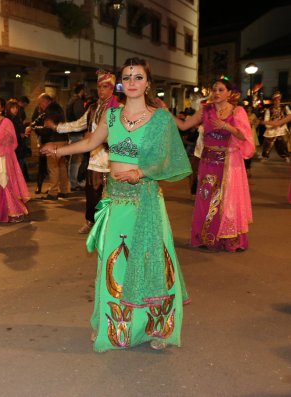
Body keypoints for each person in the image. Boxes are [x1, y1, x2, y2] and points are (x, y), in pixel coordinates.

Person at [41, 57, 191, 352]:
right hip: (116, 200)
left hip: (146, 199)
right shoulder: (111, 117)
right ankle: (117, 328)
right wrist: (59, 150)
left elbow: (168, 159)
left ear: (148, 83)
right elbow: (89, 143)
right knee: (114, 263)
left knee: (152, 262)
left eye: (139, 77)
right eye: (128, 77)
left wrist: (142, 172)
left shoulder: (160, 118)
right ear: (122, 83)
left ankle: (157, 327)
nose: (133, 82)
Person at [172, 78, 254, 252]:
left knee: (227, 201)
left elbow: (244, 136)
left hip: (229, 164)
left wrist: (226, 126)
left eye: (221, 89)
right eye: (214, 89)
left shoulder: (237, 111)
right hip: (208, 162)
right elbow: (184, 125)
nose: (216, 93)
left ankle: (229, 239)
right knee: (206, 198)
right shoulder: (205, 110)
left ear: (229, 93)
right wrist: (166, 113)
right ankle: (206, 238)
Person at [52, 70, 120, 233]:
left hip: (114, 160)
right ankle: (91, 222)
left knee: (113, 196)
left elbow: (122, 135)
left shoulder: (119, 109)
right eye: (99, 87)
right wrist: (57, 127)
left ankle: (110, 226)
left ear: (112, 89)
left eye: (105, 87)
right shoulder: (93, 108)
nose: (101, 90)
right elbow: (77, 124)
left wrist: (99, 138)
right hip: (95, 159)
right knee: (91, 195)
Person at [26, 94, 68, 200]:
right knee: (62, 166)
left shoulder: (49, 112)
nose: (40, 106)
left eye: (40, 103)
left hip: (53, 141)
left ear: (45, 102)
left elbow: (47, 128)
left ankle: (53, 192)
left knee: (53, 167)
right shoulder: (58, 108)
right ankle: (63, 190)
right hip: (63, 139)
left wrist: (35, 130)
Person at [65, 83, 87, 191]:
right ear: (81, 91)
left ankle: (74, 182)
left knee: (74, 159)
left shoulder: (70, 100)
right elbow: (81, 119)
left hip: (72, 133)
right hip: (77, 134)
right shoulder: (77, 102)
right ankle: (76, 182)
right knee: (76, 160)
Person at [260, 92, 290, 163]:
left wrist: (283, 121)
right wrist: (272, 124)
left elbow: (289, 115)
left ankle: (285, 156)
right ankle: (265, 156)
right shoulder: (269, 110)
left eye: (278, 99)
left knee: (283, 143)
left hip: (281, 128)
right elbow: (266, 119)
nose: (277, 101)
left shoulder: (284, 107)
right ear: (273, 101)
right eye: (275, 100)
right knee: (267, 143)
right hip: (272, 128)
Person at [5, 98, 30, 181]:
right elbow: (7, 135)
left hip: (20, 148)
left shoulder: (17, 118)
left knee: (19, 172)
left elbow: (21, 132)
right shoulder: (7, 120)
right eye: (13, 108)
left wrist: (25, 132)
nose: (15, 110)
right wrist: (20, 135)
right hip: (12, 149)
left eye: (16, 108)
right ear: (8, 108)